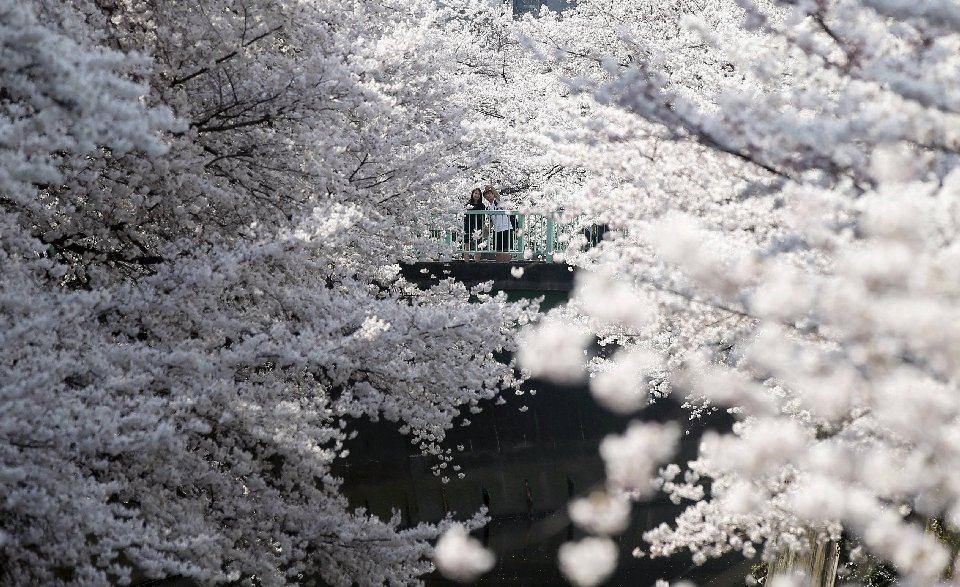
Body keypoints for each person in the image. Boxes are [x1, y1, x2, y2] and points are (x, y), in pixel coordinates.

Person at [482, 185, 513, 258]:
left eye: (490, 193)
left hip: (506, 228)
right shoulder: (488, 207)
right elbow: (491, 220)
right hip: (496, 230)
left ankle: (506, 266)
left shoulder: (498, 201)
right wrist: (488, 228)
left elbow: (497, 195)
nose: (488, 195)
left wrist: (491, 187)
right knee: (498, 250)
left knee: (506, 250)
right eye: (486, 195)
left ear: (493, 194)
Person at [463, 188, 485, 260]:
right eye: (475, 193)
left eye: (479, 194)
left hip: (478, 227)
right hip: (468, 226)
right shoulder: (467, 204)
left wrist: (483, 226)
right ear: (472, 194)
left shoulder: (482, 206)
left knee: (478, 246)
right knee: (467, 246)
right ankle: (466, 262)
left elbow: (483, 217)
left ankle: (477, 263)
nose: (477, 195)